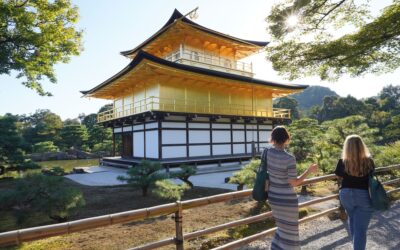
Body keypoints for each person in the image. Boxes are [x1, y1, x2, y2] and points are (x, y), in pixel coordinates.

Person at [266, 126, 318, 250]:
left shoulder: (267, 153)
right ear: (287, 139)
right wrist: (309, 170)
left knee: (281, 227)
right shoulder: (289, 158)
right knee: (290, 230)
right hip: (286, 200)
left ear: (272, 138)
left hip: (273, 197)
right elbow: (294, 183)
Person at [335, 135, 375, 250]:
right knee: (360, 229)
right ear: (362, 146)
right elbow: (371, 175)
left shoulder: (342, 162)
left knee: (353, 221)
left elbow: (338, 175)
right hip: (363, 195)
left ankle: (356, 246)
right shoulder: (369, 162)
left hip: (345, 194)